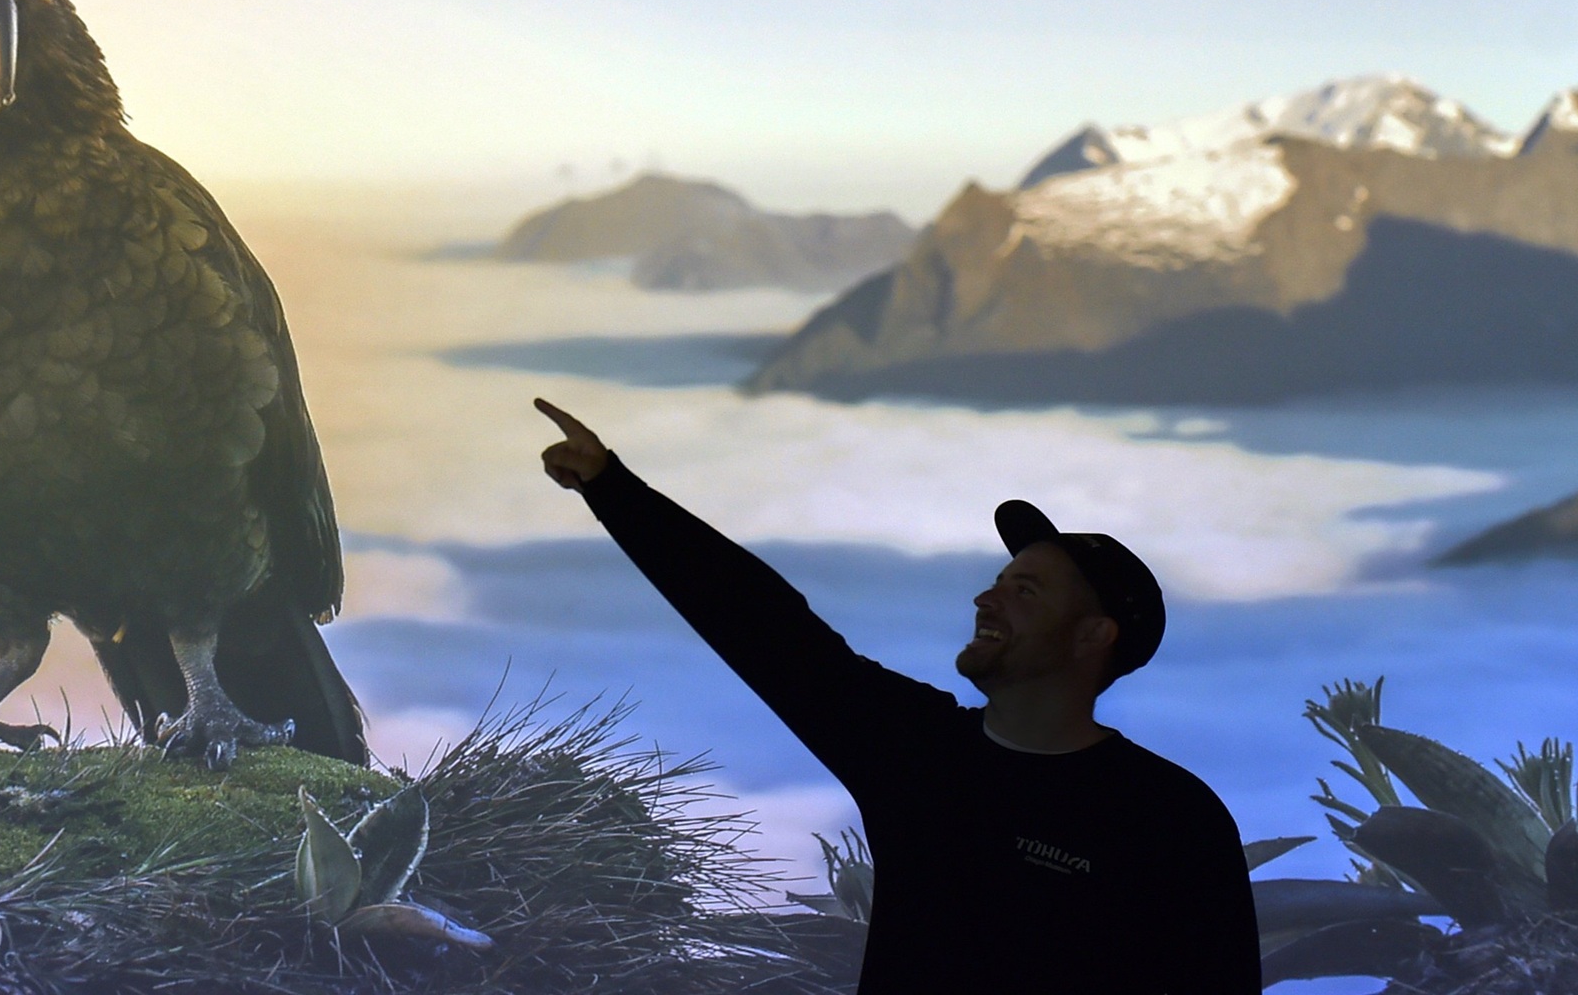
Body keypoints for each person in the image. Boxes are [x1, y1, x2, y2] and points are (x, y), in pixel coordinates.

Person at [534, 398, 1260, 994]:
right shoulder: (916, 749)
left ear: (1091, 637)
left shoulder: (1173, 822)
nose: (987, 597)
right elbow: (762, 625)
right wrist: (613, 488)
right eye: (998, 580)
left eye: (1025, 590)